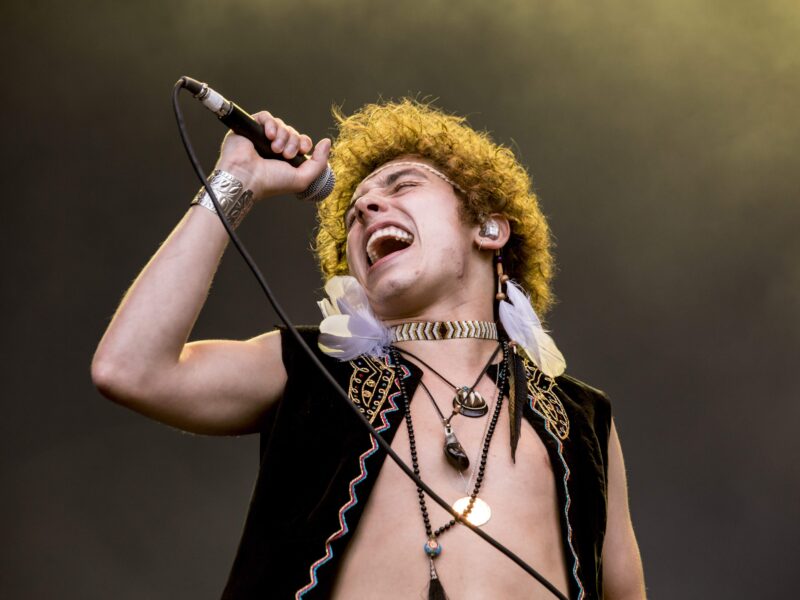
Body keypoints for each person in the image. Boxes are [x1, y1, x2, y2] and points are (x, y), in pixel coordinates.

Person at [92, 99, 646, 599]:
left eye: (402, 186)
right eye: (355, 212)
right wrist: (236, 180)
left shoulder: (581, 417)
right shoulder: (311, 369)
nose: (367, 209)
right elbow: (130, 369)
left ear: (489, 229)